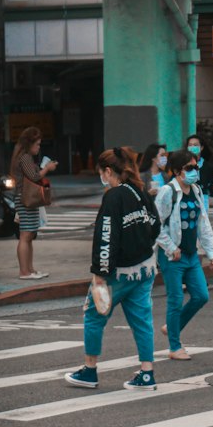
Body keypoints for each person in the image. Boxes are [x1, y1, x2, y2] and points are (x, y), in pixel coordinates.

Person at [65, 146, 161, 391]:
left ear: (108, 171)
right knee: (142, 320)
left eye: (102, 173)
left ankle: (89, 370)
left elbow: (106, 236)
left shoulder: (113, 196)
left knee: (94, 316)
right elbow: (155, 225)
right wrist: (141, 243)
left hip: (118, 272)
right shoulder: (140, 190)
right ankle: (147, 373)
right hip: (145, 268)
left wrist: (99, 274)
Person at [155, 149, 213, 360]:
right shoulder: (167, 192)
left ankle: (173, 326)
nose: (194, 172)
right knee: (176, 299)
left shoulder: (197, 190)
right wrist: (171, 247)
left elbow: (203, 222)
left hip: (191, 254)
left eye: (196, 167)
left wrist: (210, 250)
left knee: (201, 295)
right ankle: (175, 346)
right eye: (189, 168)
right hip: (173, 256)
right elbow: (156, 225)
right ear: (176, 171)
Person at [10, 126, 57, 280]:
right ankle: (24, 272)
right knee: (26, 235)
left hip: (26, 198)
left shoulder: (24, 157)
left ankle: (29, 269)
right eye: (37, 144)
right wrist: (47, 168)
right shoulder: (24, 158)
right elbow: (35, 176)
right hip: (25, 199)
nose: (39, 147)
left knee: (29, 234)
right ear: (29, 144)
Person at [185, 133, 213, 211]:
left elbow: (211, 191)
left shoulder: (208, 167)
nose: (192, 147)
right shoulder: (181, 164)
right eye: (190, 145)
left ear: (201, 148)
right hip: (186, 200)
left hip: (202, 202)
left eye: (195, 145)